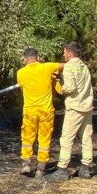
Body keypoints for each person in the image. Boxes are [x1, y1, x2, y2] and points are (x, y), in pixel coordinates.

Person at [47, 42, 94, 181]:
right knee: (86, 137)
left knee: (66, 138)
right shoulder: (83, 67)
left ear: (70, 53)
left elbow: (69, 88)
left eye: (64, 52)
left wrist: (58, 84)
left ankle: (62, 169)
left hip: (75, 107)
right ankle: (86, 167)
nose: (63, 54)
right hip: (87, 106)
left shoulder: (69, 67)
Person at [16, 47, 64, 176]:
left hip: (30, 111)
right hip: (46, 111)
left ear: (25, 59)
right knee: (44, 139)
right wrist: (56, 75)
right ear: (37, 57)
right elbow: (65, 65)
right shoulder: (47, 67)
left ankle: (26, 164)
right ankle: (40, 169)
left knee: (27, 138)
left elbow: (22, 90)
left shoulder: (20, 73)